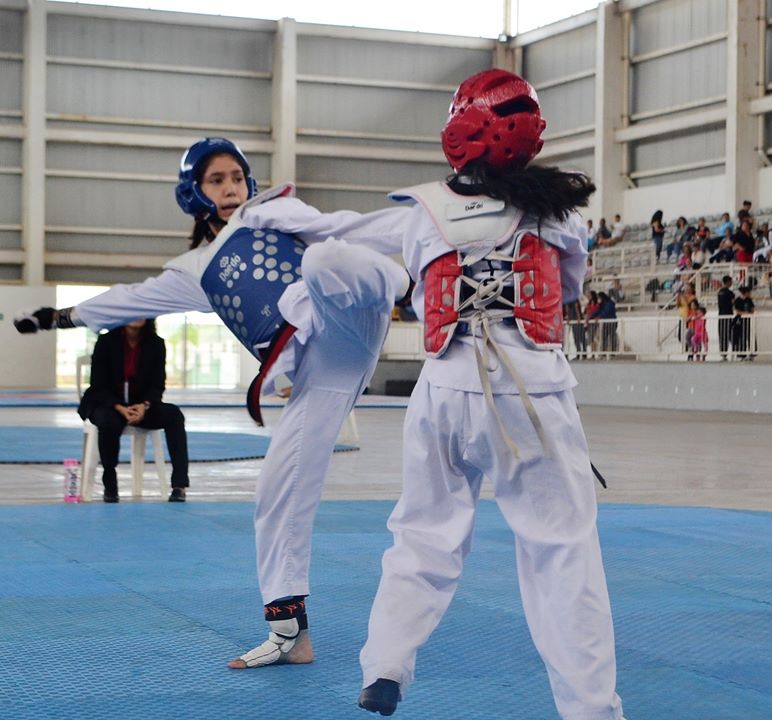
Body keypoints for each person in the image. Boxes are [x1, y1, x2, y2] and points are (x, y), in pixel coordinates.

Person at [15, 137, 410, 668]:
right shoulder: (195, 270)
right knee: (276, 491)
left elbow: (341, 225)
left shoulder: (269, 211)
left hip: (348, 312)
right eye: (216, 181)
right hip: (324, 370)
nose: (230, 188)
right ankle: (290, 633)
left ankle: (414, 285)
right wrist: (59, 317)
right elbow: (130, 299)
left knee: (326, 255)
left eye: (236, 178)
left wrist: (424, 232)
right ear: (194, 193)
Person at [354, 70, 625, 720]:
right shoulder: (561, 215)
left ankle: (386, 664)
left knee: (423, 532)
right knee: (561, 550)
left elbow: (405, 280)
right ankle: (592, 709)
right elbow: (565, 293)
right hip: (531, 388)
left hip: (443, 385)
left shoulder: (415, 215)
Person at [78, 319, 189, 502]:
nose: (137, 316)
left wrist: (144, 406)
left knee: (174, 415)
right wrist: (119, 407)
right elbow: (98, 384)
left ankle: (179, 485)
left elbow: (157, 384)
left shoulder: (156, 344)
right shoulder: (106, 342)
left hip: (141, 406)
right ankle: (110, 483)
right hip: (109, 404)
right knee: (108, 421)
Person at [732, 285, 756, 360]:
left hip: (749, 321)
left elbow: (752, 309)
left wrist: (750, 313)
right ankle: (741, 354)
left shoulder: (749, 300)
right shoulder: (738, 300)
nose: (750, 294)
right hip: (740, 321)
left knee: (750, 336)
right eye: (749, 292)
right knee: (741, 337)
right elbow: (737, 311)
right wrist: (746, 313)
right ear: (745, 293)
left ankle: (752, 353)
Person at [717, 275, 735, 360]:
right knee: (730, 333)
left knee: (722, 334)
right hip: (728, 315)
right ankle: (735, 350)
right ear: (728, 282)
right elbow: (733, 302)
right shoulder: (730, 293)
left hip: (721, 315)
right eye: (731, 282)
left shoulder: (719, 292)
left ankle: (723, 353)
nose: (731, 283)